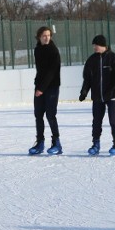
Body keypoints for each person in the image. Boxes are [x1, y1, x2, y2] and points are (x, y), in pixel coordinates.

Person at [79, 35, 115, 156]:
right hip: (97, 96)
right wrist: (84, 92)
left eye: (96, 45)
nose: (94, 47)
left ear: (103, 45)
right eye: (94, 45)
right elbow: (87, 79)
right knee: (96, 121)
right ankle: (96, 143)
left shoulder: (113, 58)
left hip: (111, 95)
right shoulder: (91, 60)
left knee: (113, 120)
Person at [29, 26, 63, 155]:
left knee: (50, 115)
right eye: (44, 35)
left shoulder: (53, 51)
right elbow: (40, 71)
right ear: (39, 37)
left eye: (49, 35)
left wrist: (41, 89)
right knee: (38, 115)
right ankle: (40, 142)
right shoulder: (37, 49)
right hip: (40, 87)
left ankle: (56, 143)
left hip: (52, 87)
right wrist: (37, 85)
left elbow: (51, 72)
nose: (47, 37)